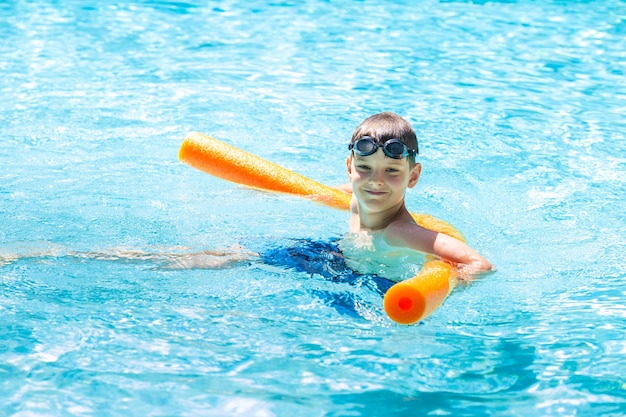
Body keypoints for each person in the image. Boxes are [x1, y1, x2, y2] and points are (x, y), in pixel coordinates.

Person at [334, 112, 492, 280]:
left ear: (413, 176)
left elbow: (481, 265)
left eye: (391, 170)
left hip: (383, 287)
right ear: (350, 168)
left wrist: (432, 290)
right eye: (365, 167)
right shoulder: (357, 199)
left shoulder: (398, 232)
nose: (375, 181)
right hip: (351, 263)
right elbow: (344, 189)